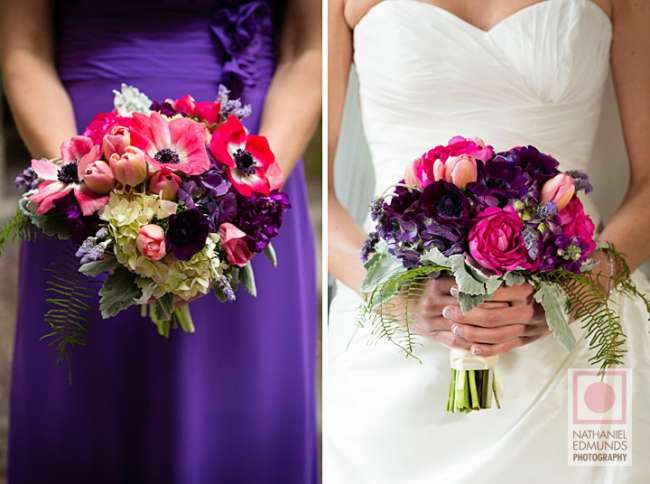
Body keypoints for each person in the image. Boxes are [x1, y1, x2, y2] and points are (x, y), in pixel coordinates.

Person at [327, 0, 650, 482]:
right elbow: (306, 192)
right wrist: (394, 297)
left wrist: (575, 293)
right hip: (395, 341)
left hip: (578, 331)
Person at [1, 0, 320, 482]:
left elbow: (310, 48)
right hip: (86, 162)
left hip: (245, 165)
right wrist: (87, 184)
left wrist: (251, 192)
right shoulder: (85, 181)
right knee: (92, 408)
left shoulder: (250, 187)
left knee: (237, 412)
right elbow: (24, 48)